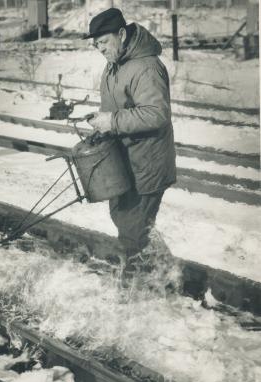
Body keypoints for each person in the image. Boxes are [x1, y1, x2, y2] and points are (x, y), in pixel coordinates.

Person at [83, 8, 176, 279]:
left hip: (148, 163)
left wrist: (112, 121)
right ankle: (166, 272)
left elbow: (156, 114)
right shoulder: (114, 64)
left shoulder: (146, 67)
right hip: (124, 161)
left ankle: (139, 288)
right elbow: (116, 108)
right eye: (95, 44)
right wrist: (102, 126)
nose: (99, 49)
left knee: (134, 229)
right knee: (124, 217)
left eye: (103, 42)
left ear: (121, 34)